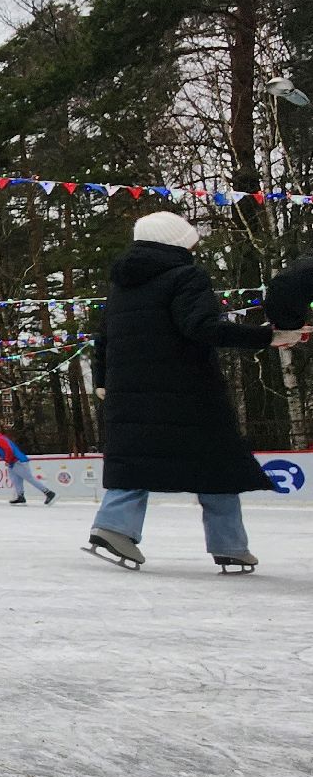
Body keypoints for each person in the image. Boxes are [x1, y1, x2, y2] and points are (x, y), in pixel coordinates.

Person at [85, 212, 288, 570]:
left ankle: (113, 527)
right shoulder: (186, 275)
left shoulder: (122, 285)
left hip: (129, 393)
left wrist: (102, 380)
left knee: (135, 459)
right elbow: (201, 326)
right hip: (187, 391)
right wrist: (265, 336)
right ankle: (230, 545)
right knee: (219, 463)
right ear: (176, 242)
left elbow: (104, 338)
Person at [0, 427, 56, 506]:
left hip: (18, 461)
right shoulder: (0, 439)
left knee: (29, 478)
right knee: (15, 479)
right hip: (13, 462)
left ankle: (48, 493)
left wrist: (7, 460)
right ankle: (20, 496)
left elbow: (9, 450)